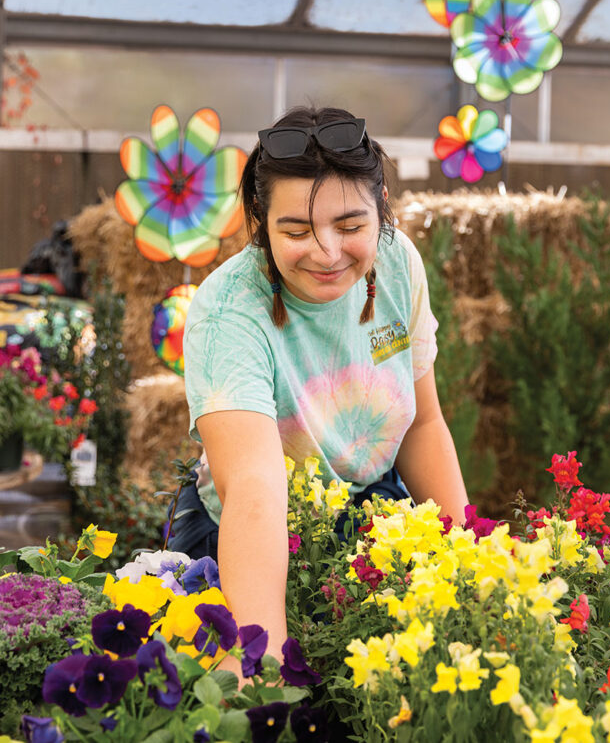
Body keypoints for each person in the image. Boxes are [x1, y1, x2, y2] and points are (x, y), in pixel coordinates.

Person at [172, 105, 469, 670]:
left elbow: (424, 425)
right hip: (251, 527)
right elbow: (254, 490)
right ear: (260, 222)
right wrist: (261, 662)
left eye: (351, 227)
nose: (328, 252)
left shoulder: (397, 264)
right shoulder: (227, 311)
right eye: (296, 231)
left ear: (382, 210)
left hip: (371, 502)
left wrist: (471, 565)